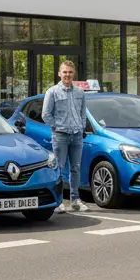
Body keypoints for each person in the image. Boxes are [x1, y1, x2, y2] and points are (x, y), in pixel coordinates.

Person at [42, 59, 89, 213]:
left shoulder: (80, 93)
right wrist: (57, 127)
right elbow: (46, 115)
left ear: (73, 73)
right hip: (60, 136)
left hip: (76, 136)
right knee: (59, 169)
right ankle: (59, 201)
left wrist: (81, 126)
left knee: (75, 168)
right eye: (64, 72)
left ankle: (75, 200)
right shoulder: (52, 92)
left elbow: (83, 114)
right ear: (59, 74)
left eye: (70, 72)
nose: (67, 75)